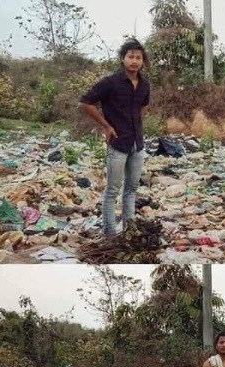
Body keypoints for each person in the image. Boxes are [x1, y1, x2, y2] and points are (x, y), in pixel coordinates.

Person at [78, 39, 150, 236]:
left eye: (138, 58)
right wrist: (107, 126)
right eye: (130, 57)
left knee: (132, 189)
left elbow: (144, 105)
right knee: (112, 190)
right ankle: (109, 233)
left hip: (137, 144)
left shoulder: (144, 85)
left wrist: (137, 123)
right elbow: (85, 103)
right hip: (118, 144)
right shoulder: (110, 82)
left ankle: (129, 229)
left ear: (143, 62)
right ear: (123, 59)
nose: (134, 61)